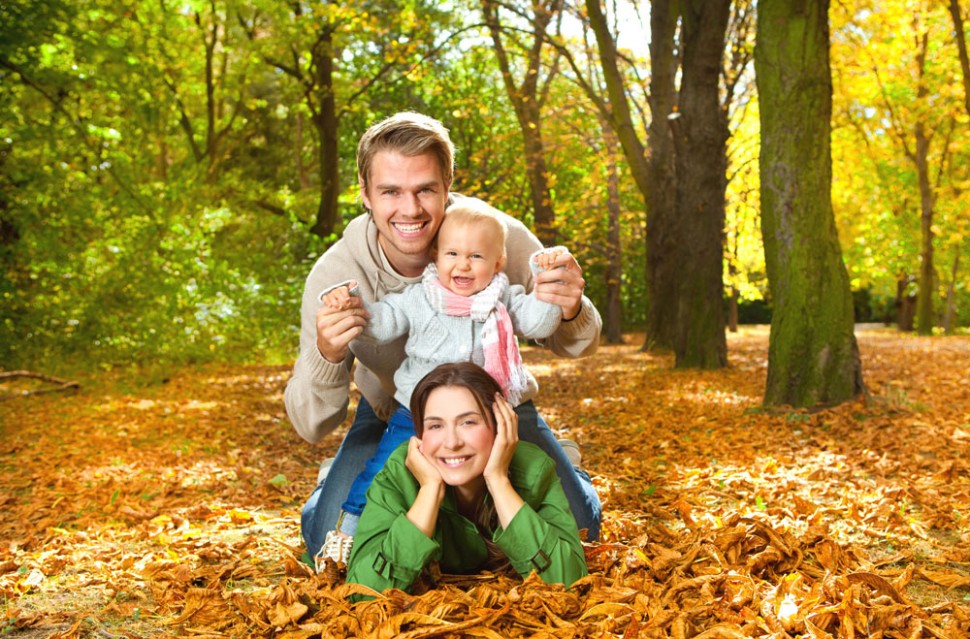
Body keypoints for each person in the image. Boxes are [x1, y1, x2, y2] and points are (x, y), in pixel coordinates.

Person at [284, 112, 602, 569]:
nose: (410, 209)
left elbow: (576, 343)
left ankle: (559, 465)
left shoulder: (493, 236)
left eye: (425, 190)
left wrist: (569, 305)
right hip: (395, 411)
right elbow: (310, 424)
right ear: (365, 194)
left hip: (498, 409)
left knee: (581, 531)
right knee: (330, 540)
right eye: (390, 191)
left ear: (447, 185)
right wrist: (328, 354)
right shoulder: (338, 275)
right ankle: (339, 478)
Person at [317, 199, 571, 563]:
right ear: (435, 256)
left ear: (498, 263)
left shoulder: (503, 300)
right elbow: (381, 323)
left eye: (477, 257)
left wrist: (548, 289)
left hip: (485, 415)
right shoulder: (421, 297)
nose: (463, 264)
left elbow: (540, 324)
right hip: (418, 413)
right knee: (383, 468)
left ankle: (514, 528)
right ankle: (349, 531)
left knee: (518, 471)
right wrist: (352, 304)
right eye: (452, 253)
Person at [346, 362, 588, 597]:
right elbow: (363, 592)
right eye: (435, 425)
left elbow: (568, 581)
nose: (451, 443)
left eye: (468, 422)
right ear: (420, 435)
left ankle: (575, 470)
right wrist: (430, 489)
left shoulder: (534, 469)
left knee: (589, 518)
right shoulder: (399, 473)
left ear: (499, 425)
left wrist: (498, 480)